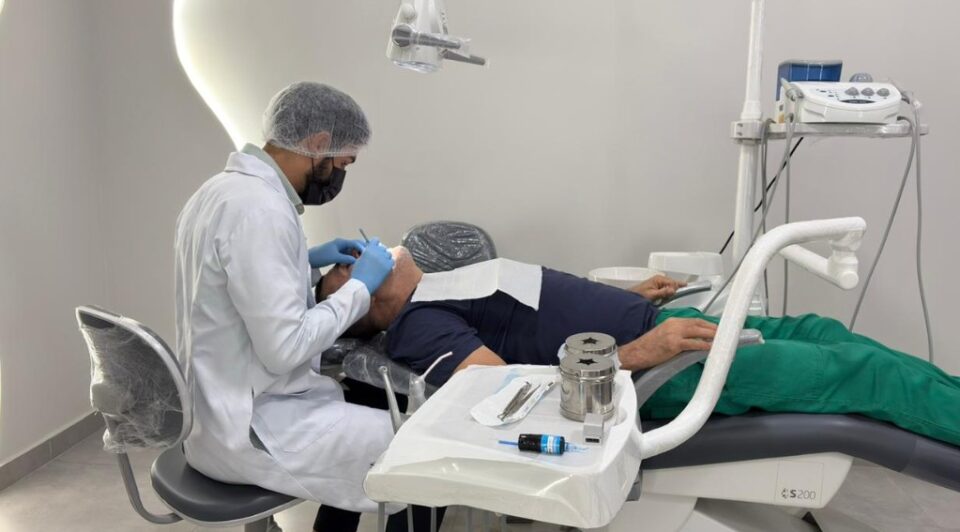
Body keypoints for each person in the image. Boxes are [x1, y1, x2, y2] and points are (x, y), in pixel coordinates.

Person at [319, 247, 960, 447]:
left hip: (663, 327)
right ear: (358, 302)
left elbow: (540, 311)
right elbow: (504, 389)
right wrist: (637, 353)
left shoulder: (441, 284)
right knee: (862, 373)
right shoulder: (418, 325)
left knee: (826, 332)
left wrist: (628, 299)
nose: (360, 253)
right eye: (346, 268)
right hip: (656, 373)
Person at [175, 82, 417, 532]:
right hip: (252, 430)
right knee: (417, 449)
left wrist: (305, 261)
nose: (339, 177)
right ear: (319, 144)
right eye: (342, 164)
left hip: (209, 420)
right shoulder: (261, 211)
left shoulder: (218, 192)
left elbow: (233, 289)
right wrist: (359, 288)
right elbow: (285, 348)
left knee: (372, 422)